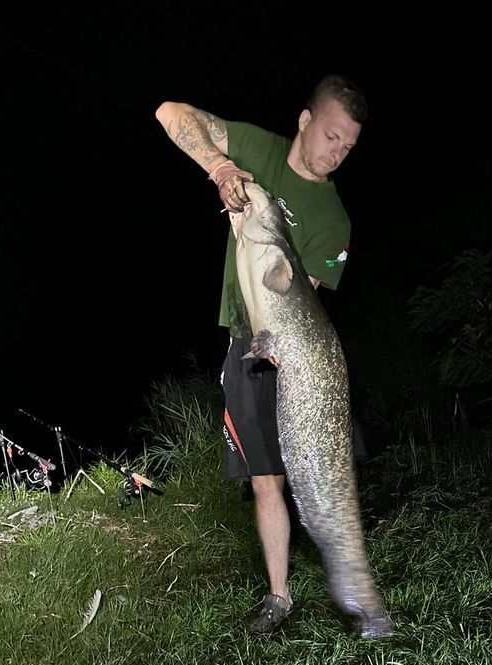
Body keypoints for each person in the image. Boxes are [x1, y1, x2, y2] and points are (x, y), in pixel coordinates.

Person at [155, 74, 368, 633]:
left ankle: (351, 580)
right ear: (304, 120)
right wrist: (220, 167)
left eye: (348, 147)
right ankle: (279, 598)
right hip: (244, 344)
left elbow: (306, 300)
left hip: (297, 349)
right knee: (263, 480)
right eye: (330, 136)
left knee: (318, 466)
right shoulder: (258, 148)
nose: (337, 153)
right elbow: (170, 110)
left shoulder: (334, 221)